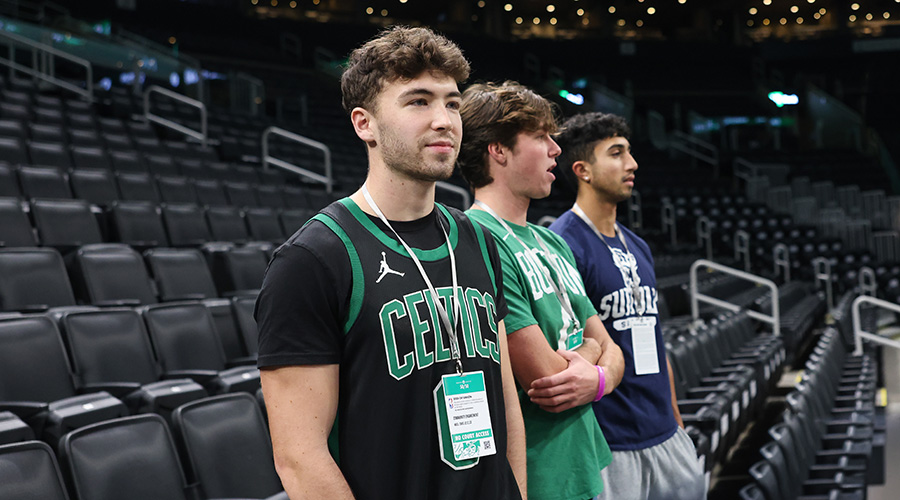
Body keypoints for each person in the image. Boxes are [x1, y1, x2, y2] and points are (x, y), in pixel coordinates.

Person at [255, 27, 526, 500]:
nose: (444, 120)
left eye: (452, 104)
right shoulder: (313, 259)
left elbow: (506, 405)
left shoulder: (480, 241)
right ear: (365, 124)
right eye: (418, 101)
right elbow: (299, 457)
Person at [458, 81, 624, 500]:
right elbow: (547, 380)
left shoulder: (552, 241)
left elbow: (615, 350)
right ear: (498, 149)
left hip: (585, 462)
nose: (555, 149)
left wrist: (598, 379)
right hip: (538, 474)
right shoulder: (477, 238)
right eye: (540, 137)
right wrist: (594, 354)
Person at [548, 112, 706, 500]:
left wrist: (674, 415)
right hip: (610, 442)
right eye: (616, 153)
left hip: (664, 431)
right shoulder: (562, 244)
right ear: (583, 170)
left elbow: (655, 336)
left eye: (629, 152)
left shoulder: (638, 245)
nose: (632, 164)